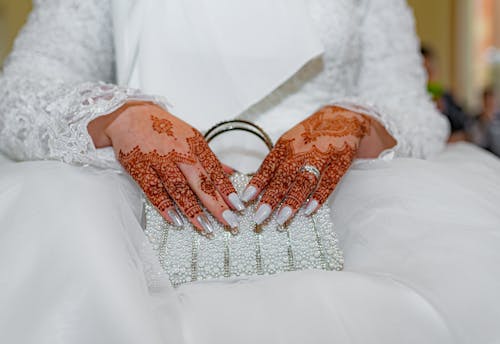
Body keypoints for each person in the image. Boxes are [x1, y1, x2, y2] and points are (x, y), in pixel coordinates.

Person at [1, 1, 500, 344]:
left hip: (337, 207)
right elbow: (20, 90)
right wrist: (118, 116)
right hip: (141, 208)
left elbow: (410, 106)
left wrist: (357, 122)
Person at [421, 45, 469, 142]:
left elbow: (464, 127)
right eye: (424, 72)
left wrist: (445, 109)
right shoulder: (410, 99)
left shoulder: (446, 96)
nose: (429, 77)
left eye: (431, 70)